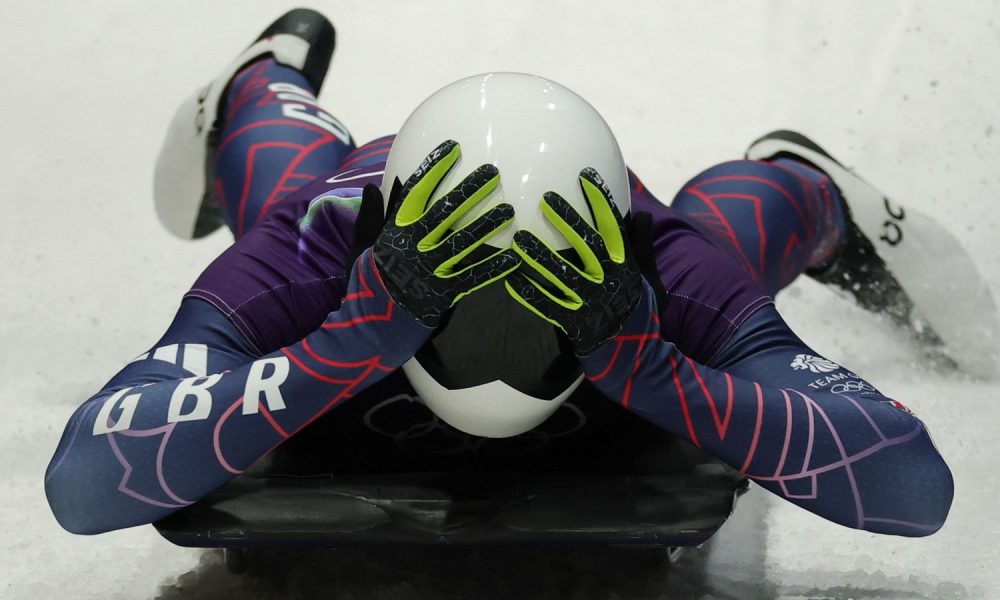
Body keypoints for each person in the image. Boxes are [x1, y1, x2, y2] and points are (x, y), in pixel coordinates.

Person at [45, 9, 953, 537]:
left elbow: (917, 490)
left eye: (545, 305)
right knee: (292, 184)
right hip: (335, 214)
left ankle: (803, 182)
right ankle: (260, 84)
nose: (501, 349)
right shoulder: (313, 250)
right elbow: (79, 486)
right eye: (459, 296)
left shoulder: (671, 269)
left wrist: (654, 365)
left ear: (614, 254)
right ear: (385, 252)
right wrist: (341, 342)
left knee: (732, 235)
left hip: (639, 275)